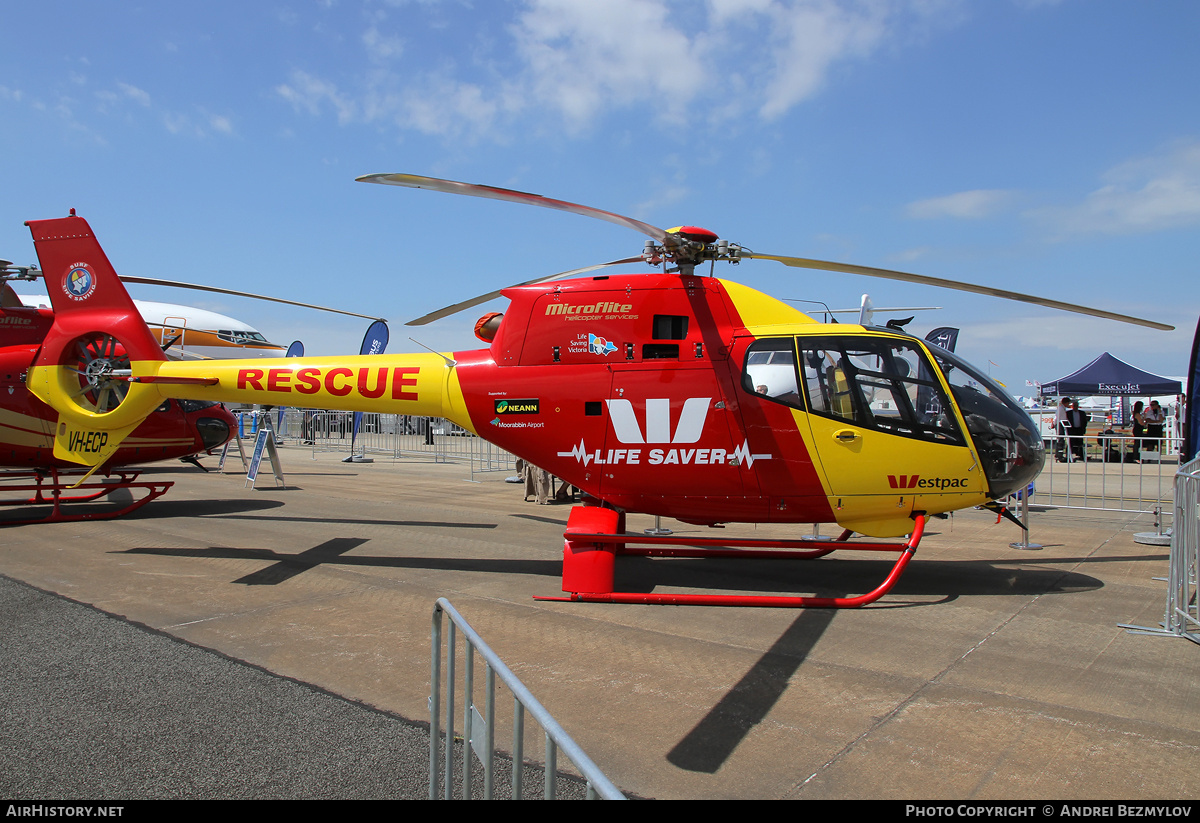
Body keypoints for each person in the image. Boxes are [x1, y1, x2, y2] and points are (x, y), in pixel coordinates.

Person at [1054, 397, 1071, 462]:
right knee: (1060, 440)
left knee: (1061, 440)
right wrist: (1055, 424)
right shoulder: (1060, 409)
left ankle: (1059, 454)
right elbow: (1057, 417)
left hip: (1062, 424)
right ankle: (1059, 455)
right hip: (1059, 424)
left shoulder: (1063, 408)